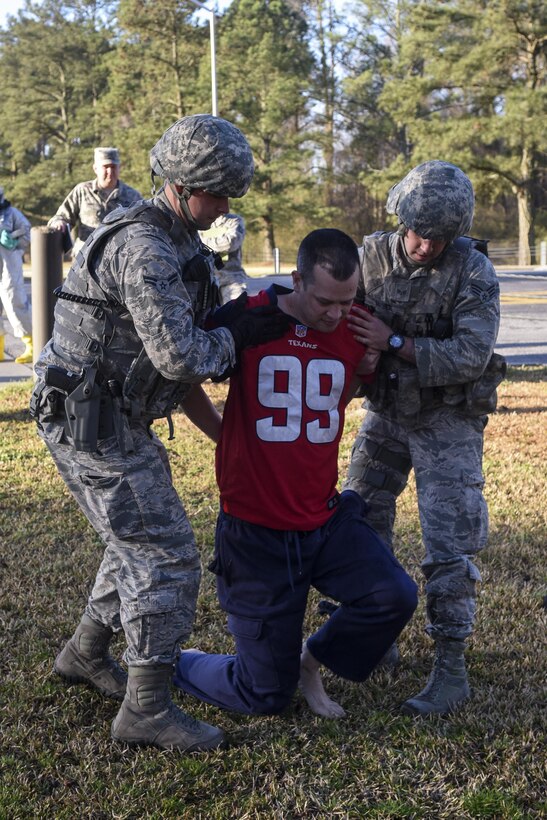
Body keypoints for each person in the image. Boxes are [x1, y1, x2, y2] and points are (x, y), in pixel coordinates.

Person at [30, 114, 289, 753]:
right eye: (217, 192)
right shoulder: (144, 247)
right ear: (179, 183)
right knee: (164, 550)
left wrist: (227, 434)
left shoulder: (180, 243)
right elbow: (182, 358)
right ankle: (145, 709)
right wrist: (237, 338)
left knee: (136, 536)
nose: (226, 205)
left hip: (115, 416)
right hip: (92, 423)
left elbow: (171, 374)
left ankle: (85, 654)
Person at [173, 228, 418, 719]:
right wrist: (227, 436)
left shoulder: (355, 326)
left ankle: (313, 658)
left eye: (346, 302)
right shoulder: (249, 315)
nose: (335, 314)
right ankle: (171, 662)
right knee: (264, 696)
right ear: (297, 279)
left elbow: (342, 389)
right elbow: (181, 377)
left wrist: (369, 356)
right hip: (256, 530)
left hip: (322, 517)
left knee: (394, 594)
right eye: (325, 301)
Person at [342, 160, 505, 716]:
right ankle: (376, 630)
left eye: (439, 237)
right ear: (400, 218)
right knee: (359, 517)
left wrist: (393, 342)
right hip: (387, 411)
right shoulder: (369, 258)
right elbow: (337, 319)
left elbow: (470, 355)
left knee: (448, 541)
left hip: (447, 419)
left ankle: (451, 668)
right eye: (417, 231)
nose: (425, 245)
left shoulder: (474, 270)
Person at [48, 146, 141, 255]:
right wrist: (59, 223)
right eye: (105, 167)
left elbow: (143, 226)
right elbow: (61, 217)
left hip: (120, 259)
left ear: (119, 168)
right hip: (85, 259)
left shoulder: (133, 196)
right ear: (95, 168)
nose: (110, 171)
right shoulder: (82, 191)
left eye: (113, 166)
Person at [0, 187, 33, 364]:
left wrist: (14, 240)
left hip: (8, 266)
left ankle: (32, 344)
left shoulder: (11, 213)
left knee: (15, 301)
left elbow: (28, 232)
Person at [199, 211, 248, 304]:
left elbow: (230, 243)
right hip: (207, 281)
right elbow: (192, 242)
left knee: (237, 312)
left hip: (232, 279)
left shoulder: (234, 221)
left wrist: (202, 243)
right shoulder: (200, 222)